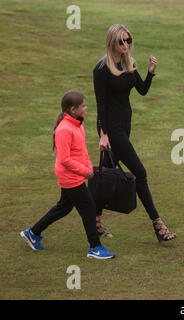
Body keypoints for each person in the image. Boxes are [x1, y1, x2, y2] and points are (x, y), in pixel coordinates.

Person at [93, 24, 176, 242]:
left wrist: (150, 72)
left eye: (128, 40)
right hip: (111, 129)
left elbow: (142, 90)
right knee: (140, 172)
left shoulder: (128, 63)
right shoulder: (102, 69)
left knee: (106, 175)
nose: (126, 45)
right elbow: (100, 104)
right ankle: (158, 224)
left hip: (124, 126)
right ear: (112, 42)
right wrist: (103, 133)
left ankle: (95, 220)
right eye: (121, 41)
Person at [20, 91, 115, 260]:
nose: (86, 108)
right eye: (83, 106)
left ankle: (32, 233)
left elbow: (81, 150)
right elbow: (64, 159)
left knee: (63, 207)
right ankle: (94, 247)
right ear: (73, 109)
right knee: (88, 209)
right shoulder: (64, 129)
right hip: (70, 176)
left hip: (77, 173)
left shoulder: (78, 124)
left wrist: (88, 167)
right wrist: (84, 171)